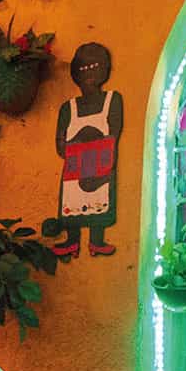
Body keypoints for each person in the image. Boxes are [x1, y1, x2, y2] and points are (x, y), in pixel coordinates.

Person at [48, 42, 123, 257]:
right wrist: (68, 148)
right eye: (83, 69)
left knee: (99, 200)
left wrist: (96, 145)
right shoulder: (68, 108)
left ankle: (96, 240)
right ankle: (72, 240)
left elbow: (114, 132)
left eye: (95, 67)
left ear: (105, 70)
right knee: (73, 201)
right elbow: (60, 138)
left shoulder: (112, 100)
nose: (89, 73)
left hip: (100, 161)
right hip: (75, 164)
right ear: (74, 74)